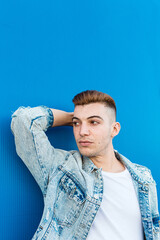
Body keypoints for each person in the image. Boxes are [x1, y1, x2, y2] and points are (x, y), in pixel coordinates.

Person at [11, 90, 159, 240]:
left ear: (114, 129)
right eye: (77, 123)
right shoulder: (62, 168)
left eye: (94, 122)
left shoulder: (143, 178)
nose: (82, 131)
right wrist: (71, 118)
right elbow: (24, 120)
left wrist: (80, 119)